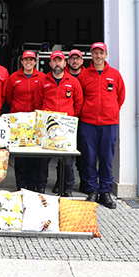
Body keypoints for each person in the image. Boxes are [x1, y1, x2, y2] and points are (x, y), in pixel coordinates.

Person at [78, 42, 126, 209]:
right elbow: (79, 97)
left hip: (109, 124)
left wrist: (111, 111)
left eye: (101, 53)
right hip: (88, 123)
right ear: (91, 55)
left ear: (106, 55)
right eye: (95, 53)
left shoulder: (115, 75)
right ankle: (92, 190)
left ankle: (105, 192)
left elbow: (121, 97)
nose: (98, 56)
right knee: (89, 158)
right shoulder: (84, 75)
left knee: (106, 159)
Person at [39, 50, 83, 197]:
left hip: (67, 127)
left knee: (67, 161)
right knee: (44, 159)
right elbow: (37, 102)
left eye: (60, 60)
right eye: (54, 61)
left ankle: (67, 188)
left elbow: (78, 103)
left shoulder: (73, 82)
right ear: (50, 63)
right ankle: (41, 187)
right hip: (48, 126)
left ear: (65, 63)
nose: (57, 63)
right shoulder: (43, 81)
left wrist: (71, 118)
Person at [4, 50, 44, 191]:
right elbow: (8, 96)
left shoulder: (42, 77)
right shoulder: (14, 77)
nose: (28, 62)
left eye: (31, 60)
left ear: (35, 62)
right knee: (20, 156)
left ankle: (32, 186)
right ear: (21, 61)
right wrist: (17, 110)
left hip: (35, 121)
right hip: (18, 121)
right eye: (26, 59)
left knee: (34, 155)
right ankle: (20, 186)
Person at [64, 48, 87, 193]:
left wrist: (76, 115)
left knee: (84, 154)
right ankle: (64, 183)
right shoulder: (62, 75)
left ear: (82, 61)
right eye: (72, 58)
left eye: (77, 58)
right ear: (68, 61)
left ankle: (84, 183)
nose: (75, 61)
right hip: (66, 121)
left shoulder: (87, 75)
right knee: (65, 155)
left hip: (83, 119)